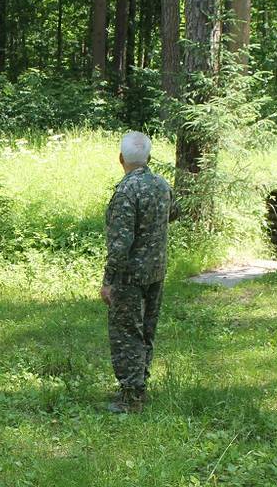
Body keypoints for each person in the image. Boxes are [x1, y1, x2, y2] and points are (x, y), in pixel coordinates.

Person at [99, 131, 178, 414]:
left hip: (130, 276)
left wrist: (109, 281)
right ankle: (139, 384)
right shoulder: (161, 185)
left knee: (126, 333)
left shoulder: (126, 191)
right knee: (147, 329)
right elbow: (173, 213)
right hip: (156, 270)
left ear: (121, 159)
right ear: (149, 158)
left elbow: (120, 244)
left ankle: (131, 397)